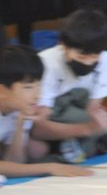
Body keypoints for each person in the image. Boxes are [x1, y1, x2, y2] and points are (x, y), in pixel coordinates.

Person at [31, 8, 107, 162]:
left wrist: (97, 123)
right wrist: (87, 129)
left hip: (72, 114)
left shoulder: (106, 59)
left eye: (94, 56)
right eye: (81, 56)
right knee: (36, 149)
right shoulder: (47, 63)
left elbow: (93, 108)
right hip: (49, 115)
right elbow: (37, 125)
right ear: (63, 46)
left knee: (98, 122)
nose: (88, 62)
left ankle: (66, 144)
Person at [0, 45, 92, 179]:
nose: (37, 95)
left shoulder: (19, 108)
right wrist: (49, 167)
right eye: (28, 87)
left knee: (38, 150)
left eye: (39, 85)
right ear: (2, 90)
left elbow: (15, 163)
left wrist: (20, 124)